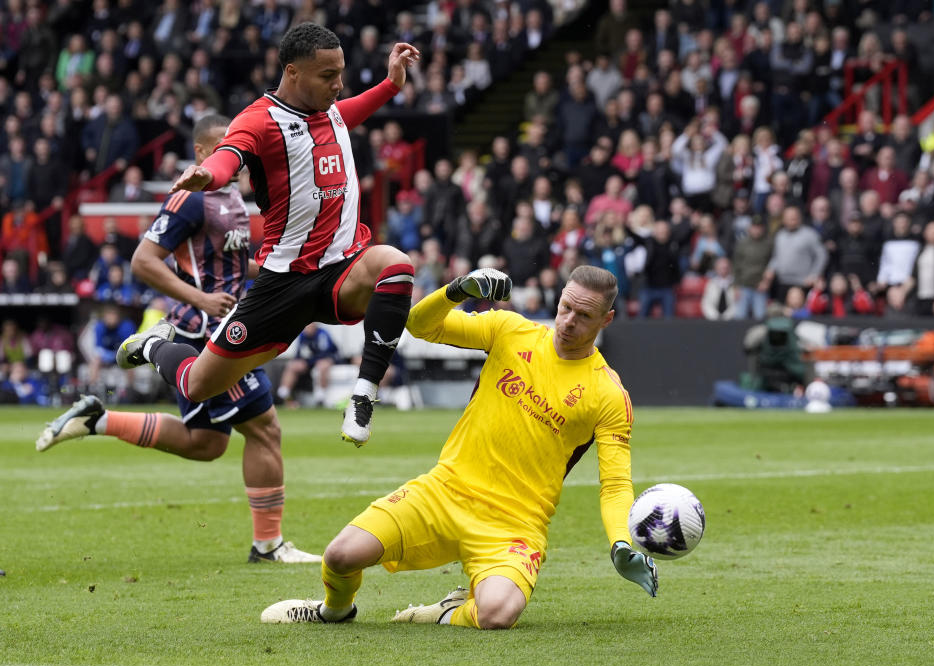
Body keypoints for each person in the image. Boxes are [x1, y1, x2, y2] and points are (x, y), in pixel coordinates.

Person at [260, 266, 658, 627]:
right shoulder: (510, 330)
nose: (569, 321)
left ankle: (449, 613)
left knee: (498, 614)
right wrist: (456, 290)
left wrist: (621, 541)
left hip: (515, 523)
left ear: (606, 319)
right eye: (566, 307)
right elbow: (419, 325)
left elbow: (616, 485)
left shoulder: (608, 393)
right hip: (444, 491)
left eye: (584, 315)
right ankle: (333, 611)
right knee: (340, 556)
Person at [114, 24, 421, 447]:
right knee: (199, 384)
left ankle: (364, 395)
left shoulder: (329, 111)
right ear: (293, 72)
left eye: (341, 72)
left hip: (339, 268)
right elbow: (228, 155)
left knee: (396, 266)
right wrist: (208, 174)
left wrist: (390, 84)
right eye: (328, 75)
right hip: (282, 283)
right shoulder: (259, 120)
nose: (339, 83)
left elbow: (351, 110)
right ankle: (152, 346)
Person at [36, 115, 322, 564]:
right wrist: (202, 299)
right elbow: (143, 261)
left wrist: (284, 273)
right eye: (226, 146)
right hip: (207, 331)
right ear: (203, 153)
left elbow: (229, 263)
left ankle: (99, 419)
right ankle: (269, 546)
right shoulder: (190, 198)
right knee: (266, 428)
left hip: (220, 324)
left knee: (206, 443)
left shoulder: (230, 197)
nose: (238, 153)